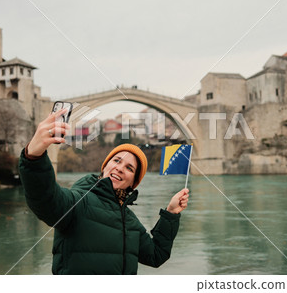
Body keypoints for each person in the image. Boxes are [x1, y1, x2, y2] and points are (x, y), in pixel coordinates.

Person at [18, 108, 189, 275]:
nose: (120, 168)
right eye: (116, 160)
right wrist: (34, 156)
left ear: (133, 182)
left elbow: (156, 256)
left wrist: (171, 213)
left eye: (129, 168)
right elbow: (45, 199)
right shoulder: (79, 202)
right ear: (105, 166)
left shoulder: (130, 221)